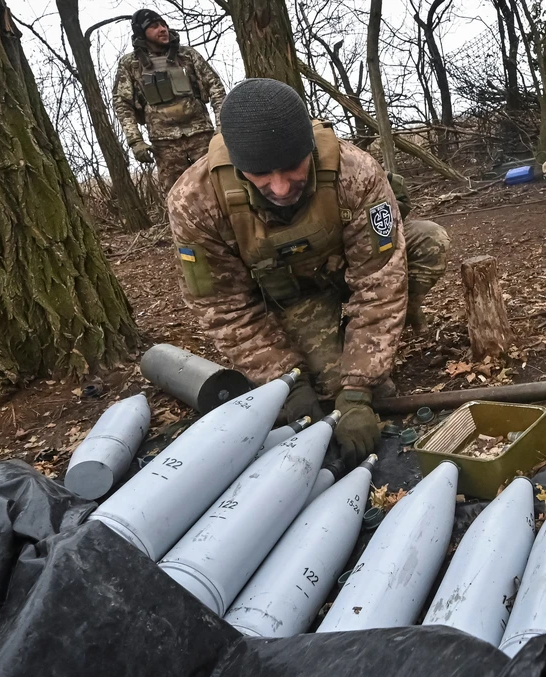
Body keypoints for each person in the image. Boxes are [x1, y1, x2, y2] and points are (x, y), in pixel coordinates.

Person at [167, 78, 450, 468]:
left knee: (429, 241)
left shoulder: (356, 172)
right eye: (262, 174)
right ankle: (327, 347)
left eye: (291, 168)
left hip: (342, 273)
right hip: (286, 300)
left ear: (311, 151)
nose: (280, 187)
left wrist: (358, 388)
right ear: (237, 165)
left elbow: (380, 281)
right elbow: (224, 308)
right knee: (324, 389)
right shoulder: (195, 201)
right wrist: (286, 381)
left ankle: (382, 337)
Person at [113, 9, 226, 192]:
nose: (162, 29)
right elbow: (122, 103)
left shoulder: (187, 55)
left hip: (202, 136)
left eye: (163, 24)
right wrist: (135, 141)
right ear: (141, 32)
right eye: (154, 26)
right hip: (164, 144)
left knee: (218, 189)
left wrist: (221, 127)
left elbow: (216, 89)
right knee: (177, 197)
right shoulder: (131, 64)